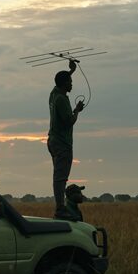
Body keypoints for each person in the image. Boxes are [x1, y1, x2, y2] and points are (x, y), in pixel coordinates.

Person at [47, 60, 86, 220]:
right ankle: (60, 208)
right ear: (64, 84)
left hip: (52, 141)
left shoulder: (54, 94)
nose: (71, 84)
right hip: (62, 143)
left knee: (59, 176)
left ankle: (61, 207)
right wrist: (77, 110)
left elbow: (59, 81)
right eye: (69, 81)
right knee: (60, 178)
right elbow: (69, 121)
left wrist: (71, 71)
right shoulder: (61, 99)